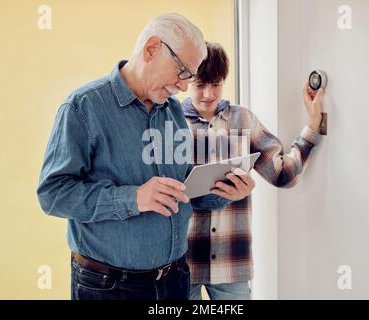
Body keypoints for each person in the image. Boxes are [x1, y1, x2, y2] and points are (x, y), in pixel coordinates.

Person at [36, 14, 255, 301]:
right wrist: (134, 198)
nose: (183, 86)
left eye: (189, 76)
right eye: (183, 72)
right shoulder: (83, 107)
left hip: (175, 279)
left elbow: (182, 189)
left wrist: (225, 191)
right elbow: (52, 195)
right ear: (152, 49)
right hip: (109, 286)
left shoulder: (173, 112)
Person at [182, 42, 324, 300]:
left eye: (215, 84)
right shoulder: (170, 122)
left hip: (232, 262)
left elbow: (283, 174)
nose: (207, 94)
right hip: (182, 263)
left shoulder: (242, 119)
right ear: (186, 80)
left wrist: (312, 126)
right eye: (200, 84)